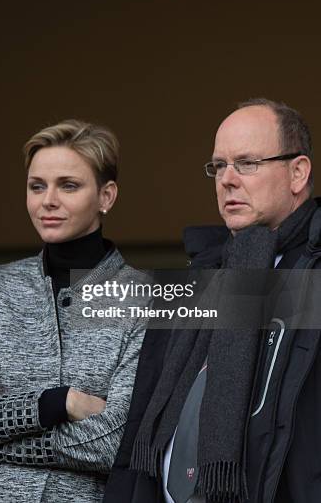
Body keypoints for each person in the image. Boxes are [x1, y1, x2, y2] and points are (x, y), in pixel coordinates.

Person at [104, 98, 321, 503]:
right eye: (219, 166)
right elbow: (138, 421)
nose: (227, 179)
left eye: (247, 163)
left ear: (298, 172)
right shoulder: (196, 279)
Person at [0, 119, 147, 503]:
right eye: (37, 186)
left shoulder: (142, 298)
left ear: (106, 196)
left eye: (69, 185)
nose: (48, 200)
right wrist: (59, 403)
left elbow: (119, 442)